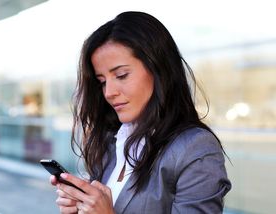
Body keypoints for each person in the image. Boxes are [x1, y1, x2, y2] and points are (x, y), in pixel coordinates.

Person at [50, 11, 231, 214]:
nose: (109, 93)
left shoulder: (195, 149)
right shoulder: (111, 142)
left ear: (158, 70)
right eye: (102, 82)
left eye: (121, 75)